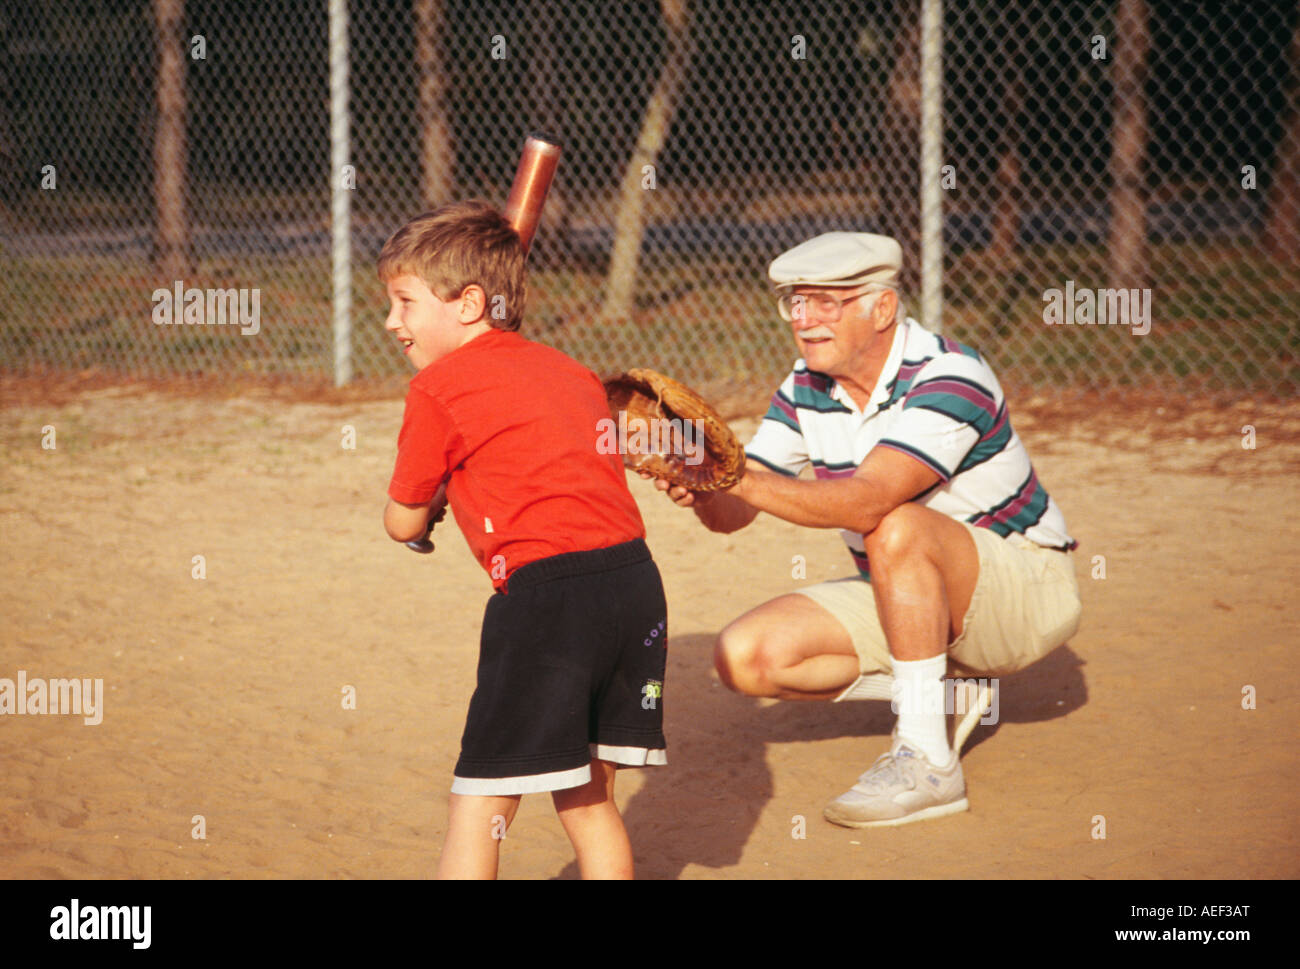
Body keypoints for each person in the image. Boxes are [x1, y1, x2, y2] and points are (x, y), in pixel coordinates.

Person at [652, 232, 1081, 828]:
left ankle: (929, 762)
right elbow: (735, 514)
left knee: (895, 522)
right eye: (796, 303)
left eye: (827, 302)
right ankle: (935, 690)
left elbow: (865, 504)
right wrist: (701, 485)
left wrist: (730, 475)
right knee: (745, 658)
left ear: (882, 308)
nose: (805, 320)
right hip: (909, 586)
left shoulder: (951, 373)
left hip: (1027, 588)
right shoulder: (805, 386)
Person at [379, 200, 668, 877]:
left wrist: (436, 498)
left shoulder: (437, 387)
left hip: (547, 599)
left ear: (470, 302)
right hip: (634, 584)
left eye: (405, 302)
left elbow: (402, 520)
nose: (392, 322)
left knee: (479, 802)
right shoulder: (571, 371)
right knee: (590, 795)